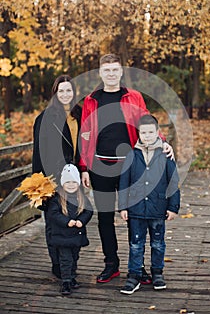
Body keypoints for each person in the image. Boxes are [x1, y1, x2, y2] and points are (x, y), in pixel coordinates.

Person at [80, 53, 174, 283]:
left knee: (136, 217)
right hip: (100, 167)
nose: (111, 74)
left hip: (131, 166)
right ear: (100, 73)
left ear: (121, 72)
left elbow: (147, 124)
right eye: (107, 70)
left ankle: (137, 267)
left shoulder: (134, 97)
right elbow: (84, 135)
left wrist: (162, 142)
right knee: (104, 218)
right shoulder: (91, 100)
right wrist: (83, 166)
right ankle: (111, 264)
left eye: (115, 70)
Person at [118, 114, 180, 295]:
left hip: (158, 208)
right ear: (138, 133)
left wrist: (173, 207)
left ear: (158, 132)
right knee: (135, 244)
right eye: (143, 132)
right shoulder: (131, 155)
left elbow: (173, 183)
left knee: (158, 243)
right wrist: (123, 206)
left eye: (150, 132)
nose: (147, 135)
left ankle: (157, 273)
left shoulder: (165, 154)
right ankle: (134, 275)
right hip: (136, 209)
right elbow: (123, 183)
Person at [32, 74, 82, 279]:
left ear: (74, 92)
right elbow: (38, 152)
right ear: (55, 93)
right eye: (61, 90)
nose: (65, 94)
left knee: (73, 220)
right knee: (54, 223)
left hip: (73, 178)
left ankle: (69, 264)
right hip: (52, 178)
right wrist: (39, 184)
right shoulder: (45, 117)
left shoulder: (78, 114)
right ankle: (58, 266)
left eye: (68, 90)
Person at [47, 163, 93, 295]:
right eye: (68, 182)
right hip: (62, 235)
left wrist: (81, 221)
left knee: (74, 257)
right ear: (62, 183)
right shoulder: (57, 199)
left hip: (76, 235)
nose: (71, 185)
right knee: (65, 258)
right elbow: (53, 214)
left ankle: (72, 276)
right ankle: (66, 281)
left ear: (78, 182)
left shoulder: (81, 197)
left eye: (74, 182)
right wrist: (67, 222)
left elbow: (88, 211)